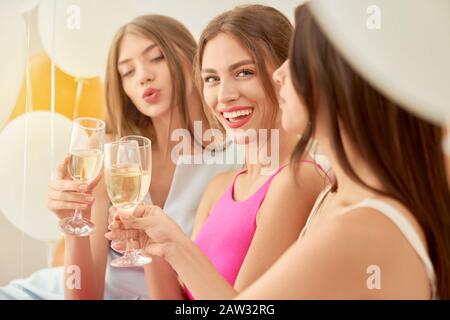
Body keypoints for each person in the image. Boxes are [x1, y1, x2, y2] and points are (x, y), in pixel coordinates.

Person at [0, 14, 241, 300]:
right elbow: (82, 295)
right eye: (127, 72)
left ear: (194, 59)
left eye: (157, 57)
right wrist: (73, 224)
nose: (143, 76)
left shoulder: (233, 159)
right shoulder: (110, 156)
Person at [107, 5, 328, 300]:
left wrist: (175, 244)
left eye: (244, 72)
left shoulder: (297, 180)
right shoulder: (220, 187)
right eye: (211, 78)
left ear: (286, 74)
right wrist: (154, 247)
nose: (224, 96)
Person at [233, 4, 450, 299]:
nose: (279, 74)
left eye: (296, 56)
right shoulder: (337, 194)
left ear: (339, 77)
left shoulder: (363, 229)